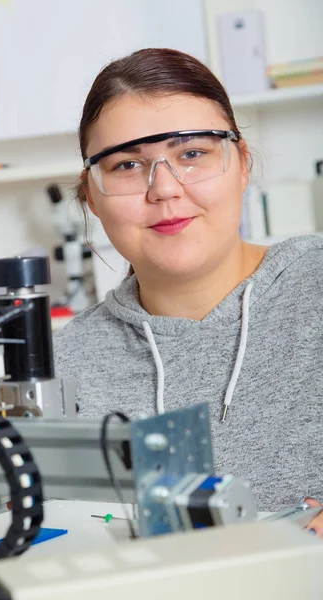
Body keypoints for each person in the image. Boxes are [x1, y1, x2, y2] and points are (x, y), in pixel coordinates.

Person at [53, 48, 323, 526]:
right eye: (127, 166)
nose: (165, 189)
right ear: (91, 195)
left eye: (192, 154)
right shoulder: (59, 367)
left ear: (242, 164)